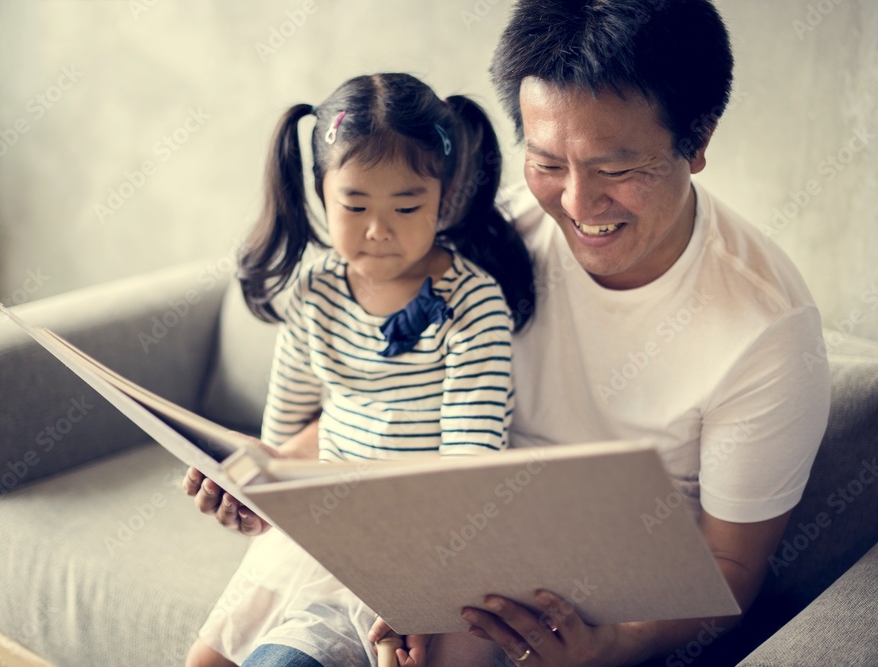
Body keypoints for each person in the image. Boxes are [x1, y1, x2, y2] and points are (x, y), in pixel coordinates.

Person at [189, 1, 833, 665]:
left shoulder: (766, 331)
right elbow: (392, 405)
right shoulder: (491, 236)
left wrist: (608, 644)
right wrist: (269, 471)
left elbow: (732, 569)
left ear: (696, 140)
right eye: (549, 162)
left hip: (574, 611)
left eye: (616, 168)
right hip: (417, 554)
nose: (578, 206)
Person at [185, 72, 535, 667]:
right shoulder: (314, 295)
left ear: (444, 195)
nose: (379, 229)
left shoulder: (473, 304)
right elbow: (286, 444)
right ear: (321, 192)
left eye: (406, 205)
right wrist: (247, 486)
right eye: (354, 205)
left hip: (441, 537)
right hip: (327, 529)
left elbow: (468, 475)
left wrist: (415, 589)